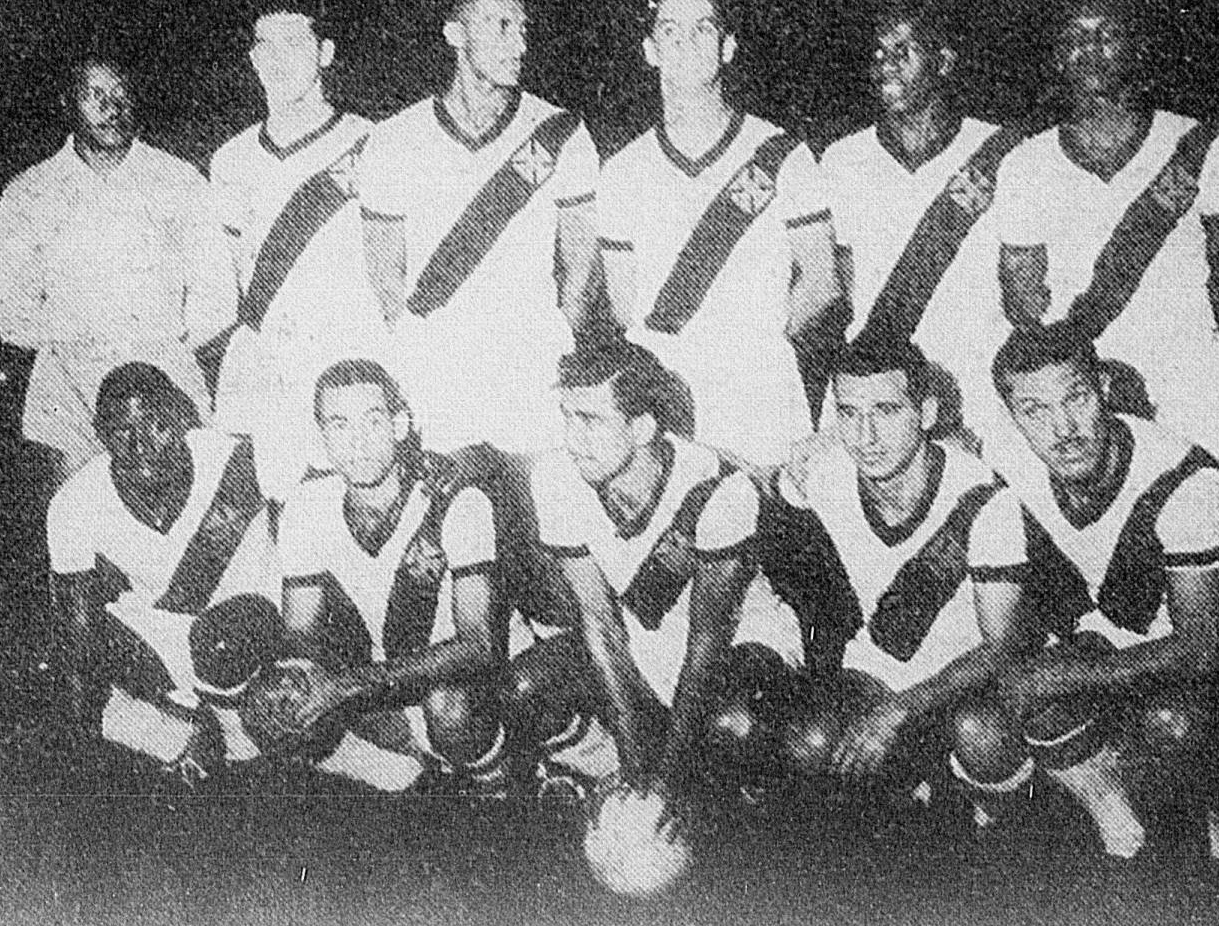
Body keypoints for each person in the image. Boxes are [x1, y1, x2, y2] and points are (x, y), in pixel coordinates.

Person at [979, 323, 1219, 862]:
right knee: (1029, 695)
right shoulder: (1010, 467)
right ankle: (1108, 799)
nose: (1063, 429)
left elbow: (1203, 649)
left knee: (1172, 721)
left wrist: (1066, 673)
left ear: (1104, 387)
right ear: (1012, 416)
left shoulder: (1186, 480)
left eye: (1076, 398)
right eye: (1034, 410)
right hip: (1120, 630)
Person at [525, 339, 803, 810]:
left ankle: (747, 804)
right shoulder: (557, 476)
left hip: (740, 643)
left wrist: (667, 784)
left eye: (590, 421)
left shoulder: (719, 488)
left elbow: (706, 642)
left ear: (642, 428)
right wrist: (636, 771)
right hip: (644, 643)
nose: (573, 439)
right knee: (527, 686)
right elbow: (600, 624)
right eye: (567, 418)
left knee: (732, 723)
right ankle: (606, 773)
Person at [993, 0, 1219, 465]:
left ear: (1136, 50)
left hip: (1192, 377)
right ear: (1057, 57)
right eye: (1076, 39)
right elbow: (1023, 304)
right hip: (1087, 389)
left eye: (1107, 35)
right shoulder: (1026, 163)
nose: (1091, 49)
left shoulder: (1202, 147)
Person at [771, 341, 1033, 816]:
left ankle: (1006, 821)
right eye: (849, 414)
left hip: (966, 677)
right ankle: (903, 808)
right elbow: (761, 491)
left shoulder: (985, 498)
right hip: (881, 668)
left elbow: (1003, 647)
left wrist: (902, 708)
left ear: (926, 413)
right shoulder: (826, 474)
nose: (865, 435)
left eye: (887, 411)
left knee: (981, 733)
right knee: (809, 740)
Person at [597, 0, 842, 467]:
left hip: (759, 392)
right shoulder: (623, 169)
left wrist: (754, 339)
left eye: (702, 29)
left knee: (772, 510)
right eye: (670, 31)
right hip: (665, 391)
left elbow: (823, 284)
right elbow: (625, 307)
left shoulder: (782, 155)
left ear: (727, 47)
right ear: (650, 51)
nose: (686, 43)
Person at [357, 0, 602, 456]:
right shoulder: (395, 139)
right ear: (455, 33)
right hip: (437, 375)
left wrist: (556, 342)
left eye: (523, 30)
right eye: (501, 26)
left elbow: (583, 264)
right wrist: (417, 351)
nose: (519, 45)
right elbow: (385, 275)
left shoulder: (560, 134)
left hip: (531, 371)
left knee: (539, 498)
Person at [269, 359, 511, 793]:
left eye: (373, 421)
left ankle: (498, 787)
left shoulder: (456, 500)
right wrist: (297, 686)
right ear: (322, 438)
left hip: (468, 690)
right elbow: (301, 632)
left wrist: (344, 688)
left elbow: (479, 647)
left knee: (447, 704)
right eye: (339, 425)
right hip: (382, 687)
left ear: (400, 426)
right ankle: (406, 777)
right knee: (271, 701)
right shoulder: (307, 506)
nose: (357, 441)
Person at [0, 57, 230, 483]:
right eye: (95, 95)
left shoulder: (179, 181)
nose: (111, 107)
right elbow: (12, 314)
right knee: (79, 510)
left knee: (186, 503)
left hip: (165, 375)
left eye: (120, 94)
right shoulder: (29, 193)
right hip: (70, 387)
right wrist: (82, 340)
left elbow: (217, 298)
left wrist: (157, 343)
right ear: (68, 103)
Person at [47, 363, 282, 782]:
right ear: (100, 434)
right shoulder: (73, 504)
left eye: (156, 425)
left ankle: (219, 738)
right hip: (172, 636)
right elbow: (78, 640)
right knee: (75, 644)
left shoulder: (236, 458)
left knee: (221, 643)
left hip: (252, 622)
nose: (142, 446)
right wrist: (80, 751)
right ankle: (188, 725)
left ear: (180, 416)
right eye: (122, 431)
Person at [821, 6, 1026, 447]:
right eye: (878, 54)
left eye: (902, 51)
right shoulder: (843, 159)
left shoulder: (1002, 153)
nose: (886, 66)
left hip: (980, 383)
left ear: (943, 62)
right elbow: (844, 287)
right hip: (879, 384)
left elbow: (1022, 288)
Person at [209, 5, 383, 500]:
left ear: (325, 53)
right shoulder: (231, 160)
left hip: (350, 357)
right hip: (270, 366)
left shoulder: (372, 143)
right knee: (280, 510)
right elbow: (232, 275)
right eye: (266, 46)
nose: (278, 59)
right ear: (252, 58)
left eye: (294, 44)